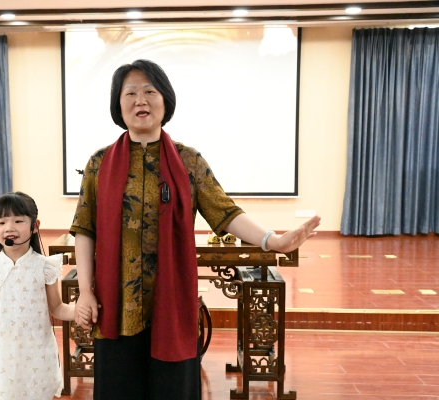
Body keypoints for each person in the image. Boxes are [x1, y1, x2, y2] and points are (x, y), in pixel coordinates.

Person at [70, 59, 321, 400]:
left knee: (173, 389)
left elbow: (225, 212)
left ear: (165, 100)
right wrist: (86, 291)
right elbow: (85, 229)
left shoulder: (189, 161)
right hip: (116, 304)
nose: (140, 100)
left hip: (171, 303)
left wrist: (272, 240)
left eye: (149, 91)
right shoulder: (99, 164)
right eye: (130, 93)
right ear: (118, 104)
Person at [0, 192, 78, 399]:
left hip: (36, 356)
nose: (9, 228)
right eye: (2, 222)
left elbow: (57, 308)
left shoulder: (45, 266)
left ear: (35, 226)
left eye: (18, 221)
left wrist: (80, 311)